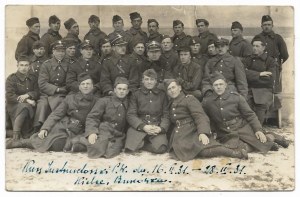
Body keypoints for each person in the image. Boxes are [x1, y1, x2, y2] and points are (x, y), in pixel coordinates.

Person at [165, 79, 248, 162]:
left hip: (191, 131)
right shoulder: (171, 103)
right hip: (180, 133)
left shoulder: (189, 100)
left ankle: (235, 153)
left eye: (173, 87)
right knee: (180, 150)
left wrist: (203, 133)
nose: (172, 91)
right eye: (169, 89)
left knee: (202, 150)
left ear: (179, 88)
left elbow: (200, 116)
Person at [202, 72, 285, 154]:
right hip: (224, 132)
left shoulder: (236, 98)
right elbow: (205, 119)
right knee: (235, 148)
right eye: (216, 85)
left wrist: (258, 130)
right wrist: (209, 132)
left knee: (260, 139)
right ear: (212, 87)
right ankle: (267, 140)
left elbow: (250, 115)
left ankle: (272, 137)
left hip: (241, 128)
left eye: (221, 84)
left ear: (225, 85)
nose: (218, 87)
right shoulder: (207, 101)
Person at [29, 73, 98, 152]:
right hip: (64, 127)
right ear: (79, 87)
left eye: (88, 84)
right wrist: (45, 128)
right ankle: (18, 143)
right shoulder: (70, 98)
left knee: (62, 144)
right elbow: (56, 114)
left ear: (92, 86)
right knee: (46, 141)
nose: (85, 86)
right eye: (83, 84)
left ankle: (77, 144)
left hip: (82, 130)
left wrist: (92, 132)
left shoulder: (97, 101)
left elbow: (95, 119)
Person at [125, 69, 170, 154]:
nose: (149, 82)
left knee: (161, 149)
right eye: (146, 79)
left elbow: (166, 114)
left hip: (155, 125)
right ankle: (140, 142)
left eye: (152, 79)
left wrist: (161, 128)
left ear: (156, 81)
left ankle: (144, 144)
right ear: (142, 81)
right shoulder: (136, 94)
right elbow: (131, 114)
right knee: (131, 148)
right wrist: (143, 126)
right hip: (140, 125)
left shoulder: (162, 95)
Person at [84, 77, 130, 158]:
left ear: (127, 91)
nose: (121, 91)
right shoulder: (104, 101)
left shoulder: (130, 103)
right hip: (105, 130)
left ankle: (100, 144)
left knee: (110, 153)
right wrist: (92, 132)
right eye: (119, 89)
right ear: (115, 90)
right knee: (96, 151)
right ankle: (81, 140)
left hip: (119, 133)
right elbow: (92, 117)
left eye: (124, 89)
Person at [33, 40, 69, 132]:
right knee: (42, 104)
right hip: (47, 93)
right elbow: (42, 83)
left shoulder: (69, 63)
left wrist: (64, 89)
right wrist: (56, 89)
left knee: (62, 103)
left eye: (62, 51)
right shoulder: (46, 64)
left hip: (64, 92)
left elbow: (70, 80)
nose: (60, 53)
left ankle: (58, 128)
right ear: (53, 51)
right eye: (58, 51)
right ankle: (38, 128)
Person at [243, 36, 277, 125]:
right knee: (244, 106)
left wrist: (250, 75)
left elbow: (270, 79)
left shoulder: (270, 61)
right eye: (253, 46)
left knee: (260, 106)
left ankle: (258, 129)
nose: (254, 48)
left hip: (264, 91)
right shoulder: (248, 59)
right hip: (249, 90)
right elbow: (242, 74)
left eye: (257, 46)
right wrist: (259, 74)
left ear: (263, 47)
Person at [6, 56, 39, 142]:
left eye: (26, 65)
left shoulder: (33, 78)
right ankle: (16, 135)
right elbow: (10, 96)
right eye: (21, 65)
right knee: (25, 107)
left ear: (29, 66)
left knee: (26, 107)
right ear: (17, 65)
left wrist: (29, 95)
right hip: (14, 105)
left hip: (30, 104)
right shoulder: (11, 78)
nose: (24, 68)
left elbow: (37, 91)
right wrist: (27, 100)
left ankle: (17, 133)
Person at [253, 15, 289, 93]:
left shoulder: (278, 38)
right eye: (265, 25)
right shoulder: (257, 38)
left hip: (274, 69)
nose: (267, 27)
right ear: (261, 26)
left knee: (274, 91)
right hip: (260, 68)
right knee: (260, 91)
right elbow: (253, 52)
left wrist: (277, 63)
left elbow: (285, 55)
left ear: (272, 26)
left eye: (269, 25)